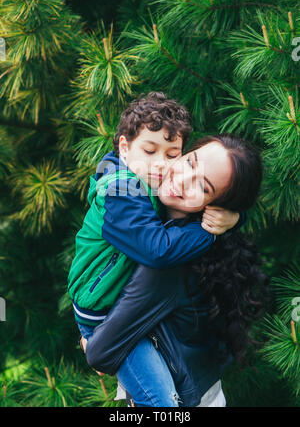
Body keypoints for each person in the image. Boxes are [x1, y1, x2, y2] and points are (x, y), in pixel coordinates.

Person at [84, 134, 268, 407]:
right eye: (190, 162)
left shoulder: (169, 264)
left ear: (215, 207)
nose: (182, 180)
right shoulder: (175, 223)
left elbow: (100, 352)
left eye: (203, 188)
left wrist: (89, 337)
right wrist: (237, 218)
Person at [68, 92, 243, 338]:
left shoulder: (155, 184)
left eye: (172, 155)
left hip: (128, 307)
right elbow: (156, 249)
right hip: (99, 309)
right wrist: (208, 233)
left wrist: (234, 218)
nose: (161, 163)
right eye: (150, 151)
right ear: (124, 148)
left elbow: (205, 199)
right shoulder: (120, 190)